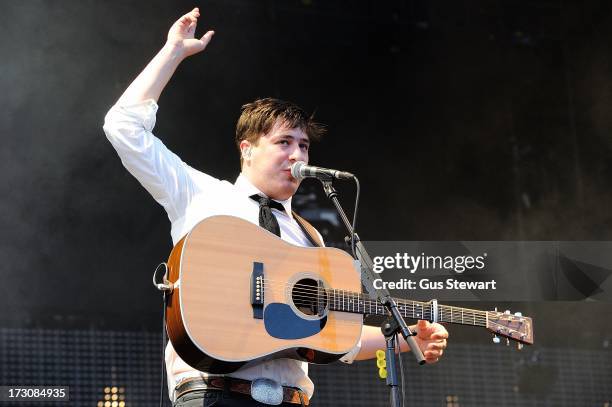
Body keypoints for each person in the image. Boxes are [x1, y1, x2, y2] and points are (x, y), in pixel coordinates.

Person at [103, 7, 448, 407]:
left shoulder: (308, 236)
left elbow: (326, 336)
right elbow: (123, 128)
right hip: (215, 395)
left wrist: (405, 339)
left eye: (303, 145)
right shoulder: (201, 195)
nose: (296, 153)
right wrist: (173, 52)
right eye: (284, 142)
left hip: (291, 399)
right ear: (246, 149)